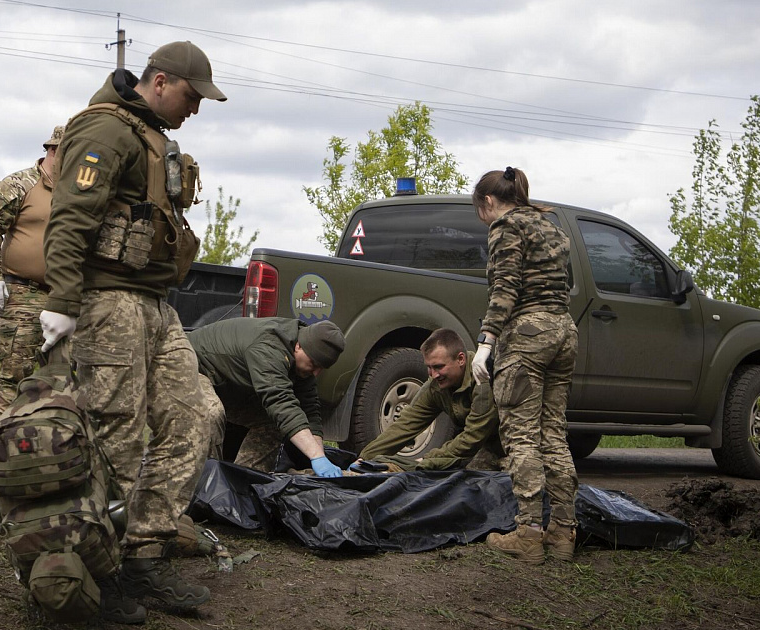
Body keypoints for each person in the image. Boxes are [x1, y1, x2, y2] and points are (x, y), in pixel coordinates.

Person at [39, 41, 226, 621]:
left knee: (196, 414)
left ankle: (145, 550)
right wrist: (64, 300)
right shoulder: (107, 130)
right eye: (192, 96)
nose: (195, 108)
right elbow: (70, 215)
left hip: (154, 301)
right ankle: (101, 569)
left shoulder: (153, 138)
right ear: (162, 81)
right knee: (115, 435)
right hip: (107, 299)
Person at [472, 167, 579, 565]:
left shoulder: (506, 227)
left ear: (488, 201)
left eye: (478, 209)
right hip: (564, 332)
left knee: (521, 437)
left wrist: (486, 342)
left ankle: (529, 535)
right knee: (554, 433)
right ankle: (563, 533)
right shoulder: (552, 226)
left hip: (528, 336)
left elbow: (506, 287)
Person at [0, 125, 64, 417]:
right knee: (16, 377)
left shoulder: (80, 192)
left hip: (64, 298)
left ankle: (47, 451)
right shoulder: (19, 184)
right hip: (22, 294)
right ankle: (4, 452)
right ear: (52, 150)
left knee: (60, 379)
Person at [189, 317, 346, 476]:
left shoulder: (303, 361)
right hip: (190, 366)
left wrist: (320, 457)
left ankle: (243, 481)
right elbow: (280, 402)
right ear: (298, 346)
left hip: (226, 382)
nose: (316, 372)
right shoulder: (269, 347)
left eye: (321, 368)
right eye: (314, 364)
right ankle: (203, 483)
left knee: (274, 422)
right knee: (210, 412)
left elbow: (310, 411)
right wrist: (316, 456)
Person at [351, 328, 500, 473]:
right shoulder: (436, 387)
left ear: (461, 359)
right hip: (486, 444)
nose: (434, 374)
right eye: (429, 367)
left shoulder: (482, 378)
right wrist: (365, 457)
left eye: (438, 367)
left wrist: (428, 460)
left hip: (513, 441)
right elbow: (406, 425)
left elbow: (474, 436)